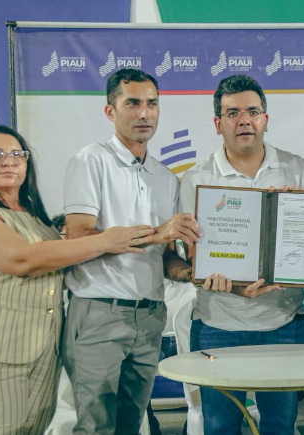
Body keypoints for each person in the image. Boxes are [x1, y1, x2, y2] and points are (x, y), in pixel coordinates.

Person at [0, 125, 153, 435]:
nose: (8, 161)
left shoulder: (33, 215)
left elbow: (58, 262)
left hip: (40, 352)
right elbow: (22, 260)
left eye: (17, 154)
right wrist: (106, 240)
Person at [165, 74, 304, 434]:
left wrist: (295, 214)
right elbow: (188, 258)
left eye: (252, 112)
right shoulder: (196, 179)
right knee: (220, 428)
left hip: (283, 323)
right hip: (218, 325)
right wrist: (216, 280)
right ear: (218, 124)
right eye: (232, 113)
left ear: (266, 119)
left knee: (281, 427)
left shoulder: (296, 168)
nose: (244, 121)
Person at [62, 68, 200, 435]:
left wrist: (193, 274)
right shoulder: (91, 161)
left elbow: (166, 256)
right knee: (96, 426)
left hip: (150, 314)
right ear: (110, 111)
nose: (144, 113)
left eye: (152, 104)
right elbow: (78, 236)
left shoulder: (165, 177)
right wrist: (157, 234)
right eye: (133, 103)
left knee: (131, 424)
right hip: (99, 311)